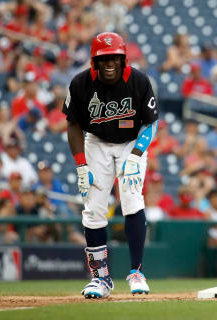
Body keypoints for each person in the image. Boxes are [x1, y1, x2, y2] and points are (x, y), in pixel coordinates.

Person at [63, 32, 159, 298]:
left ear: (123, 59)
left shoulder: (138, 80)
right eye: (103, 58)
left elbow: (151, 123)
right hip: (97, 142)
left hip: (132, 141)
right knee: (93, 209)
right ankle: (100, 279)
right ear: (94, 60)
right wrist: (81, 165)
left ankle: (136, 272)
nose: (109, 63)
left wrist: (136, 154)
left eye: (114, 58)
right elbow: (73, 125)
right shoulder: (80, 83)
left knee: (131, 198)